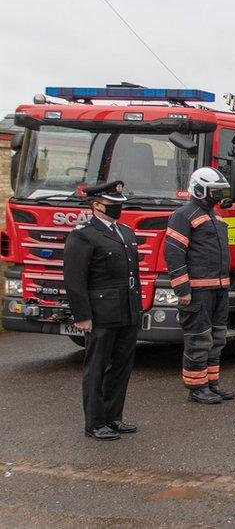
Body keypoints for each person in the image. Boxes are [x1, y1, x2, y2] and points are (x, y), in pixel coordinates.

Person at [64, 180, 141, 440]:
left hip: (127, 310)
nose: (118, 208)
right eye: (112, 204)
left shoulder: (126, 232)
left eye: (120, 204)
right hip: (101, 313)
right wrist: (82, 315)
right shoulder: (83, 235)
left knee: (121, 366)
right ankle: (95, 423)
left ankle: (113, 417)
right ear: (96, 205)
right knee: (96, 368)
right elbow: (75, 279)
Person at [165, 167, 234, 404]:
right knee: (199, 338)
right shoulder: (183, 215)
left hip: (219, 288)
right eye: (213, 191)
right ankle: (196, 387)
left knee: (217, 338)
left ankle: (211, 383)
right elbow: (174, 253)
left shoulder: (216, 217)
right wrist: (182, 288)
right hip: (198, 290)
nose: (217, 195)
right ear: (199, 189)